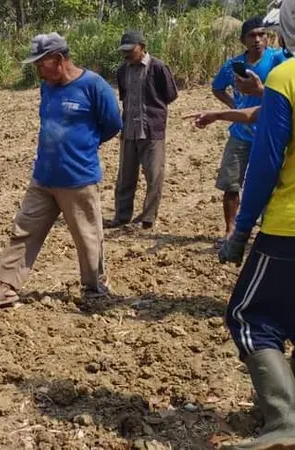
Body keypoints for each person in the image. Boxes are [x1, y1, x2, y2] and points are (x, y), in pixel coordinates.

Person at [0, 33, 123, 309]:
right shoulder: (48, 87)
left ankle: (95, 286)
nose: (37, 70)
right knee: (24, 230)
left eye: (40, 64)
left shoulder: (93, 86)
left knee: (88, 237)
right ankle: (6, 286)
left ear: (58, 59)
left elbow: (113, 124)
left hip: (78, 178)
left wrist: (85, 145)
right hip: (43, 176)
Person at [219, 0, 295, 447]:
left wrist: (241, 231)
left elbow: (265, 165)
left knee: (249, 315)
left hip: (288, 229)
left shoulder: (285, 78)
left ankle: (285, 422)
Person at [210, 16, 287, 248]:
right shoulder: (233, 64)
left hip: (269, 133)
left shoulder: (279, 59)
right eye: (252, 36)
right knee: (231, 184)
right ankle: (230, 230)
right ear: (243, 40)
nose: (257, 40)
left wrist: (260, 90)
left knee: (270, 184)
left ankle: (266, 232)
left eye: (261, 34)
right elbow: (217, 87)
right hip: (240, 133)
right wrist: (234, 105)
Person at [105, 30, 178, 230]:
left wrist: (154, 112)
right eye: (124, 50)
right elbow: (124, 96)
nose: (127, 54)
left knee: (154, 176)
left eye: (131, 49)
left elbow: (170, 95)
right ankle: (121, 216)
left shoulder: (159, 67)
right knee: (125, 177)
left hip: (152, 129)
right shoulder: (122, 70)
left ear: (143, 47)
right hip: (129, 129)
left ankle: (147, 218)